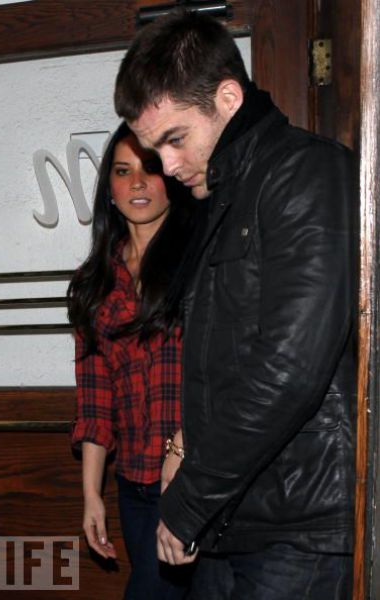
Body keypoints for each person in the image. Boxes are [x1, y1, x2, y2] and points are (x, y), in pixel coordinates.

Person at [113, 10, 357, 600]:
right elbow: (222, 362)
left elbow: (290, 367)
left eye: (174, 139)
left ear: (227, 98)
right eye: (154, 148)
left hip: (296, 525)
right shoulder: (222, 198)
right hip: (234, 517)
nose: (167, 166)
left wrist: (190, 498)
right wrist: (184, 448)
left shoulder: (307, 172)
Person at [68, 121, 195, 600]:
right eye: (123, 171)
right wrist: (91, 495)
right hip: (133, 486)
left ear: (172, 178)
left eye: (150, 169)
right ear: (109, 188)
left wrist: (183, 450)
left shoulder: (199, 261)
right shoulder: (94, 281)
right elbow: (94, 400)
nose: (137, 183)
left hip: (195, 479)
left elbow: (225, 374)